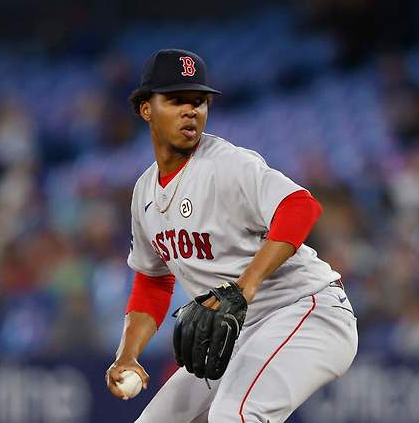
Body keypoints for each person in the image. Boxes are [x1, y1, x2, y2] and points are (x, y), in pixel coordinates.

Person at [105, 49, 358, 422]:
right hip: (237, 332)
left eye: (199, 101)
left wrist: (246, 284)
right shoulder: (144, 192)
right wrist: (127, 354)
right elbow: (152, 281)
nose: (191, 110)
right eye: (176, 100)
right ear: (146, 108)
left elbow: (300, 207)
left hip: (306, 310)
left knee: (236, 414)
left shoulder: (227, 164)